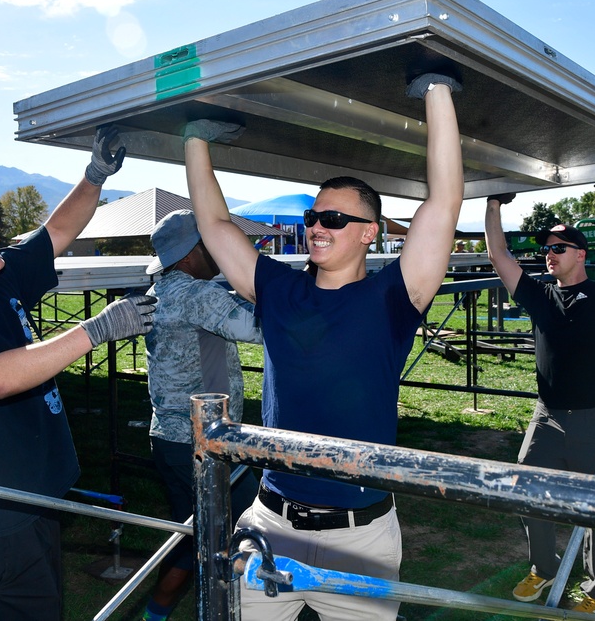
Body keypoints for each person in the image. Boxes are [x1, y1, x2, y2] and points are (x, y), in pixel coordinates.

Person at [182, 72, 465, 621]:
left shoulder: (394, 296)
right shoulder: (280, 290)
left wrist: (437, 92)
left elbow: (445, 201)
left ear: (370, 232)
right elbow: (215, 224)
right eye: (313, 217)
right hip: (270, 524)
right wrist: (195, 139)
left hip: (359, 541)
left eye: (334, 219)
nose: (316, 226)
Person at [0, 126, 157, 620]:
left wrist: (95, 175)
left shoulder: (0, 279)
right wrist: (95, 330)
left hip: (32, 497)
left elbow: (56, 233)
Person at [483, 178, 595, 616]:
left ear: (580, 253)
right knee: (526, 488)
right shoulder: (538, 295)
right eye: (546, 249)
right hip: (548, 416)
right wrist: (494, 203)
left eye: (558, 248)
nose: (549, 255)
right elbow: (498, 254)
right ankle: (544, 567)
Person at [140, 209, 263, 621]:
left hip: (171, 438)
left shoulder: (165, 290)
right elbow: (257, 328)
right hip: (205, 443)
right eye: (210, 242)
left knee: (193, 538)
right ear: (192, 254)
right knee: (251, 533)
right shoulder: (196, 295)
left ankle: (154, 614)